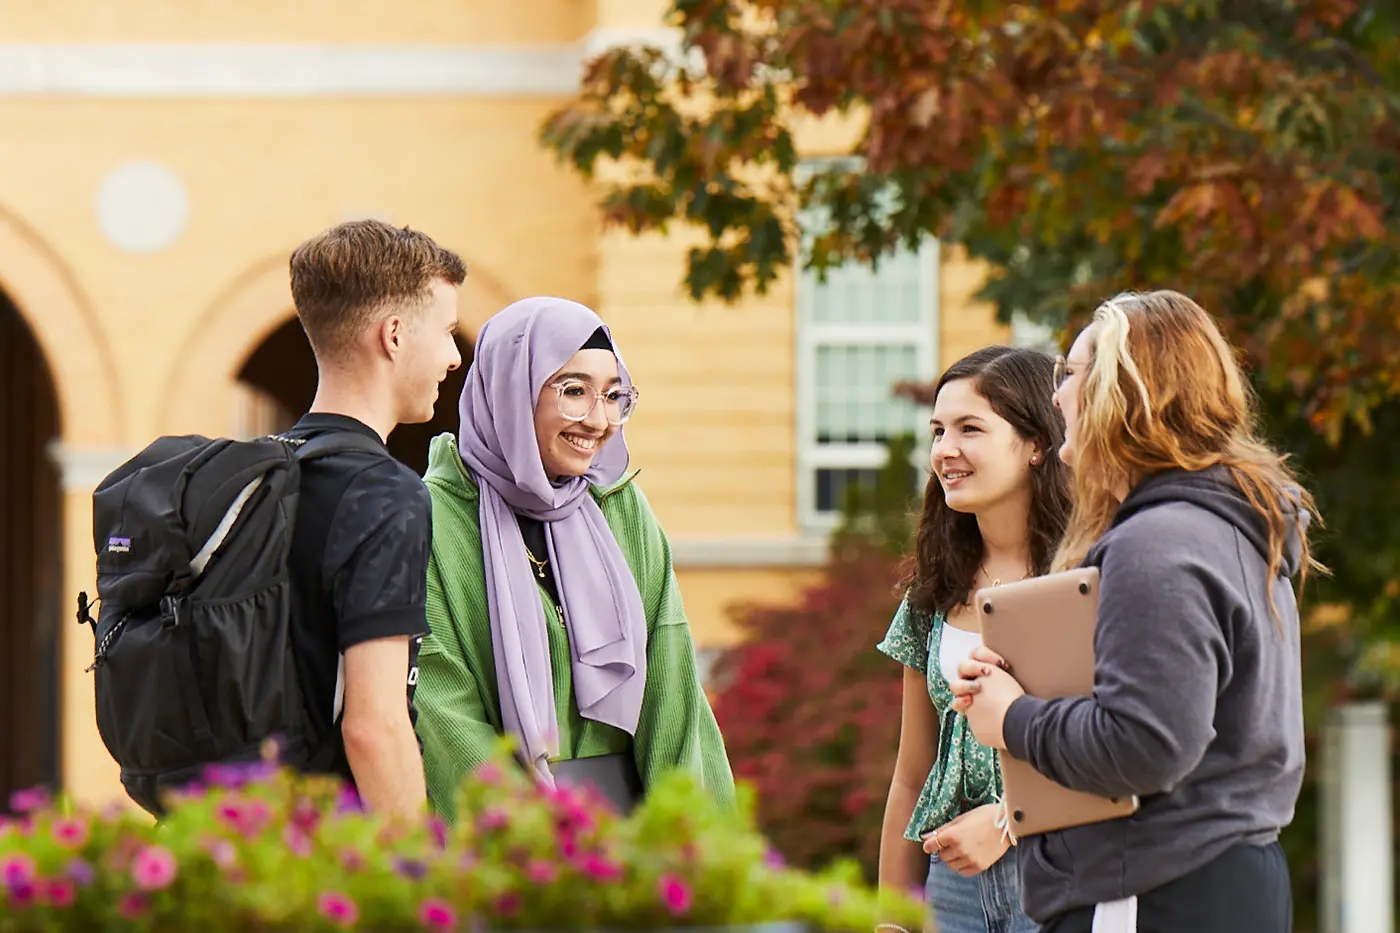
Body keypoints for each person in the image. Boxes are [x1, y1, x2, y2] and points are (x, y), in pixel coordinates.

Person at [951, 291, 1315, 933]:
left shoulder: (1159, 544)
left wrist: (1010, 716)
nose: (1057, 396)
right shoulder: (1228, 528)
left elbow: (1145, 746)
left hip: (1154, 891)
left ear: (1125, 390)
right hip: (1207, 883)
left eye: (1071, 373)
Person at [412, 295, 735, 821]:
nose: (599, 420)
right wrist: (545, 848)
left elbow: (670, 690)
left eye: (613, 395)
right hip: (518, 854)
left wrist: (686, 844)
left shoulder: (619, 508)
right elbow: (443, 707)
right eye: (574, 391)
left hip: (636, 841)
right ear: (512, 392)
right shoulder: (435, 520)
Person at [876, 346, 1070, 933]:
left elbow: (1118, 748)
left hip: (1060, 876)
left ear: (1037, 444)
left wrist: (1011, 818)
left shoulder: (1088, 578)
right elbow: (912, 772)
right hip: (949, 889)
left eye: (969, 428)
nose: (944, 450)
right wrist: (890, 919)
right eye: (937, 430)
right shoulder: (933, 590)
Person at [281, 219, 466, 820]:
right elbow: (374, 728)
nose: (453, 355)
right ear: (393, 335)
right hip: (332, 858)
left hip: (243, 838)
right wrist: (416, 877)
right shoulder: (386, 494)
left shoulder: (267, 477)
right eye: (445, 332)